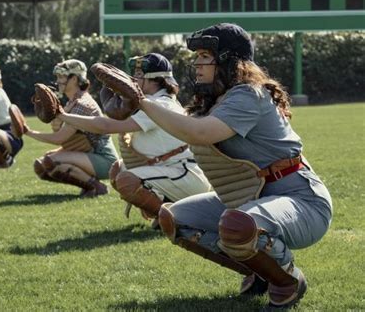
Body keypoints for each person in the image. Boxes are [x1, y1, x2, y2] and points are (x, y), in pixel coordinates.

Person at [129, 23, 332, 308]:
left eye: (204, 55)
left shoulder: (249, 94)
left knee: (237, 224)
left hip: (301, 199)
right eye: (197, 56)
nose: (197, 63)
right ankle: (259, 271)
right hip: (253, 197)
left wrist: (140, 102)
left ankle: (287, 281)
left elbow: (198, 133)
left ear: (228, 60)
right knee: (172, 218)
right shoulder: (214, 100)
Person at [58, 53, 211, 223]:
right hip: (172, 169)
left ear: (155, 80)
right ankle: (168, 208)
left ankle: (174, 221)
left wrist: (62, 115)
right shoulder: (153, 101)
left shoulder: (158, 104)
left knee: (127, 180)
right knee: (118, 170)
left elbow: (106, 126)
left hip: (184, 174)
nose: (133, 79)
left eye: (139, 75)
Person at [24, 59, 119, 197]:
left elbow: (59, 138)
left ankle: (97, 187)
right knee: (41, 166)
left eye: (61, 76)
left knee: (51, 162)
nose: (58, 81)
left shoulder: (81, 104)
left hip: (104, 159)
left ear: (74, 79)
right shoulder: (73, 101)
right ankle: (88, 185)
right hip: (91, 155)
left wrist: (27, 131)